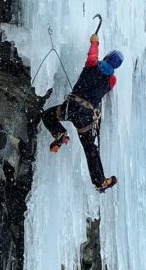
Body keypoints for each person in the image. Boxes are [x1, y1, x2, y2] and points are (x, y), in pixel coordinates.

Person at [42, 33, 123, 192]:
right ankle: (100, 181)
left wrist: (95, 41)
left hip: (71, 108)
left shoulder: (92, 64)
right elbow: (104, 76)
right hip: (86, 118)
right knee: (90, 148)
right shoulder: (112, 80)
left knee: (48, 116)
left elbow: (92, 55)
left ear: (107, 57)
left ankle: (60, 134)